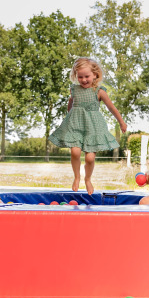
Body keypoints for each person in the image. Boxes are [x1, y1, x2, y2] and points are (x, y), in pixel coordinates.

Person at [49, 57, 127, 195]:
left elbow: (112, 108)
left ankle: (88, 179)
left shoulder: (99, 91)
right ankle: (77, 177)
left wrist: (121, 122)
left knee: (90, 158)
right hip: (75, 125)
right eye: (80, 77)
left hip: (93, 127)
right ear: (75, 76)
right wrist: (68, 120)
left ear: (95, 75)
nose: (84, 80)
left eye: (87, 76)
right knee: (75, 152)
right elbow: (71, 104)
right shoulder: (74, 90)